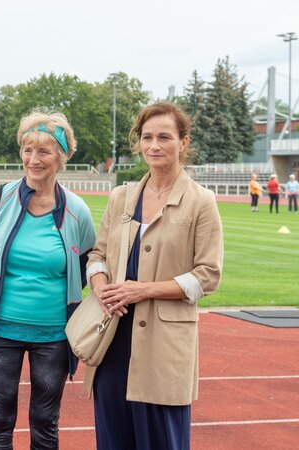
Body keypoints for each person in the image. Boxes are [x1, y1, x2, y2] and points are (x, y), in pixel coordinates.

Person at [85, 102, 223, 450]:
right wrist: (101, 288)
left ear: (183, 143)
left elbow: (207, 276)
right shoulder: (121, 197)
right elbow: (97, 256)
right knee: (113, 439)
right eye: (147, 137)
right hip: (112, 338)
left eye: (164, 136)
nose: (154, 145)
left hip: (165, 345)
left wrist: (142, 290)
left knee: (161, 441)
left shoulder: (200, 202)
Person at [0, 110, 97, 449]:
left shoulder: (77, 210)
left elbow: (89, 262)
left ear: (61, 157)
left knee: (45, 424)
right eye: (27, 149)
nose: (33, 159)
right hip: (0, 330)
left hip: (53, 335)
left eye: (44, 151)